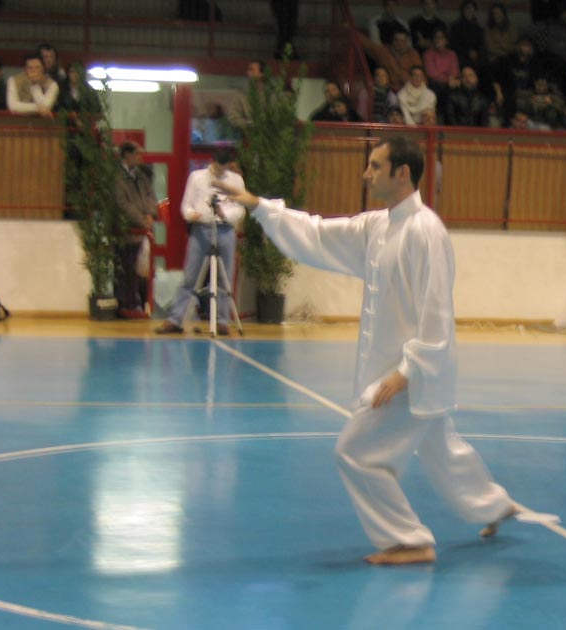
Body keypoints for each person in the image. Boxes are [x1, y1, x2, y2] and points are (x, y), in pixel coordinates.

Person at [218, 136, 528, 565]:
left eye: (375, 166)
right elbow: (318, 232)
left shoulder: (426, 231)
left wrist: (407, 372)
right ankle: (495, 506)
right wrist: (258, 205)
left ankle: (408, 541)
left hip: (409, 374)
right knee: (443, 450)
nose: (366, 174)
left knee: (356, 452)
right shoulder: (378, 226)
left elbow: (436, 310)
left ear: (402, 173)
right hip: (403, 371)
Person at [156, 149, 245, 336]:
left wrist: (225, 214)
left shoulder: (236, 181)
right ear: (211, 162)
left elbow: (240, 209)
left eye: (224, 169)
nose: (221, 172)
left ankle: (222, 321)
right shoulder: (196, 177)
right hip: (201, 229)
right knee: (191, 276)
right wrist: (190, 215)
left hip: (225, 230)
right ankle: (176, 320)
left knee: (224, 277)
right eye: (218, 168)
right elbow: (185, 205)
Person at [114, 142, 158, 319]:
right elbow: (122, 204)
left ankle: (140, 304)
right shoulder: (117, 177)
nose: (140, 158)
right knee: (128, 269)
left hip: (143, 232)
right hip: (127, 232)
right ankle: (127, 305)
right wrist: (141, 221)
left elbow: (151, 196)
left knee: (143, 271)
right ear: (127, 155)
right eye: (137, 154)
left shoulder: (142, 176)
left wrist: (150, 213)